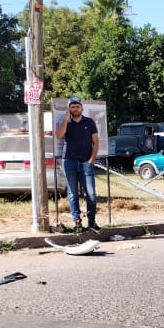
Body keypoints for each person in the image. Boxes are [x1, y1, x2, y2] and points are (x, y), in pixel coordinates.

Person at [56, 96, 100, 231]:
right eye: (72, 107)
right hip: (69, 161)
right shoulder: (66, 122)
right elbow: (59, 135)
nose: (75, 109)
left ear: (82, 108)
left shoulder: (89, 122)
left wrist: (91, 160)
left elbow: (96, 142)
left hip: (86, 162)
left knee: (91, 194)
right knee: (72, 193)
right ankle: (77, 222)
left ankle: (92, 223)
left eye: (77, 107)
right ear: (69, 109)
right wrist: (66, 118)